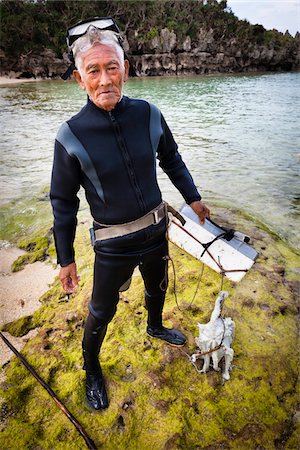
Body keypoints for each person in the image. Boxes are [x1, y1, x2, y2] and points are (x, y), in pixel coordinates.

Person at [50, 17, 210, 411]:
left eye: (112, 68)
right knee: (100, 312)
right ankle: (91, 369)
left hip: (156, 231)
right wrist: (65, 258)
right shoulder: (70, 135)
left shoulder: (149, 114)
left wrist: (193, 197)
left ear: (126, 70)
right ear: (79, 79)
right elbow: (63, 202)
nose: (105, 79)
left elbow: (171, 157)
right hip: (112, 246)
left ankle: (154, 326)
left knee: (156, 288)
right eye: (94, 71)